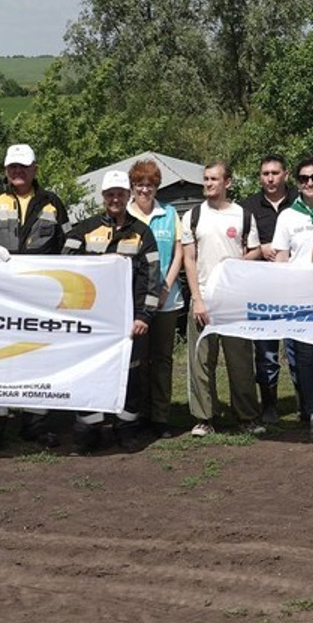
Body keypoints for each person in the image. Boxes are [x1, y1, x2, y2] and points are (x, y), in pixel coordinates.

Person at [0, 143, 70, 455]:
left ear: (35, 168)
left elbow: (70, 245)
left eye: (23, 166)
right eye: (12, 166)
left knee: (37, 359)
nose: (17, 171)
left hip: (41, 299)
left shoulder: (53, 204)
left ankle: (35, 423)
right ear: (5, 170)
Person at [63, 169, 157, 454]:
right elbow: (65, 261)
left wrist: (144, 316)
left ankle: (125, 429)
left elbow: (152, 277)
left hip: (128, 321)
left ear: (128, 195)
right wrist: (102, 259)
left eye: (120, 193)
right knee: (90, 373)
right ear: (102, 197)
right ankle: (89, 428)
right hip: (91, 321)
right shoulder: (83, 228)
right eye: (110, 194)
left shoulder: (143, 232)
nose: (115, 199)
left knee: (130, 375)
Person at [181, 161, 263, 436]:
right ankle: (204, 417)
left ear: (228, 182)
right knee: (201, 361)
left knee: (240, 362)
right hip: (203, 297)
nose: (208, 184)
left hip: (234, 301)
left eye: (214, 179)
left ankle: (247, 417)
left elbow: (255, 252)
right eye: (205, 179)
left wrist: (237, 260)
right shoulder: (192, 216)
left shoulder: (243, 216)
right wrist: (197, 299)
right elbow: (189, 260)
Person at [272, 157, 313, 439]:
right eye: (303, 179)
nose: (310, 183)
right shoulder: (287, 216)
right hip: (300, 298)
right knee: (305, 358)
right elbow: (281, 258)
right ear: (296, 182)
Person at [128, 158, 184, 438]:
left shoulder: (170, 213)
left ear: (157, 187)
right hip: (134, 302)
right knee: (138, 360)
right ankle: (137, 414)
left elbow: (178, 254)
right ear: (132, 187)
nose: (145, 190)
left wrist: (165, 287)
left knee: (162, 360)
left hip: (167, 299)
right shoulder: (125, 216)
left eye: (150, 185)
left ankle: (161, 417)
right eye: (139, 185)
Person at [243, 154, 296, 424]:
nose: (270, 178)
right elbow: (242, 247)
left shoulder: (301, 201)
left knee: (300, 349)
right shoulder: (248, 206)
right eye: (265, 173)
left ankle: (307, 404)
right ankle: (269, 405)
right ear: (260, 177)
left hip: (297, 287)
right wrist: (261, 249)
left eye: (275, 173)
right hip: (262, 289)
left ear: (285, 174)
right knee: (265, 352)